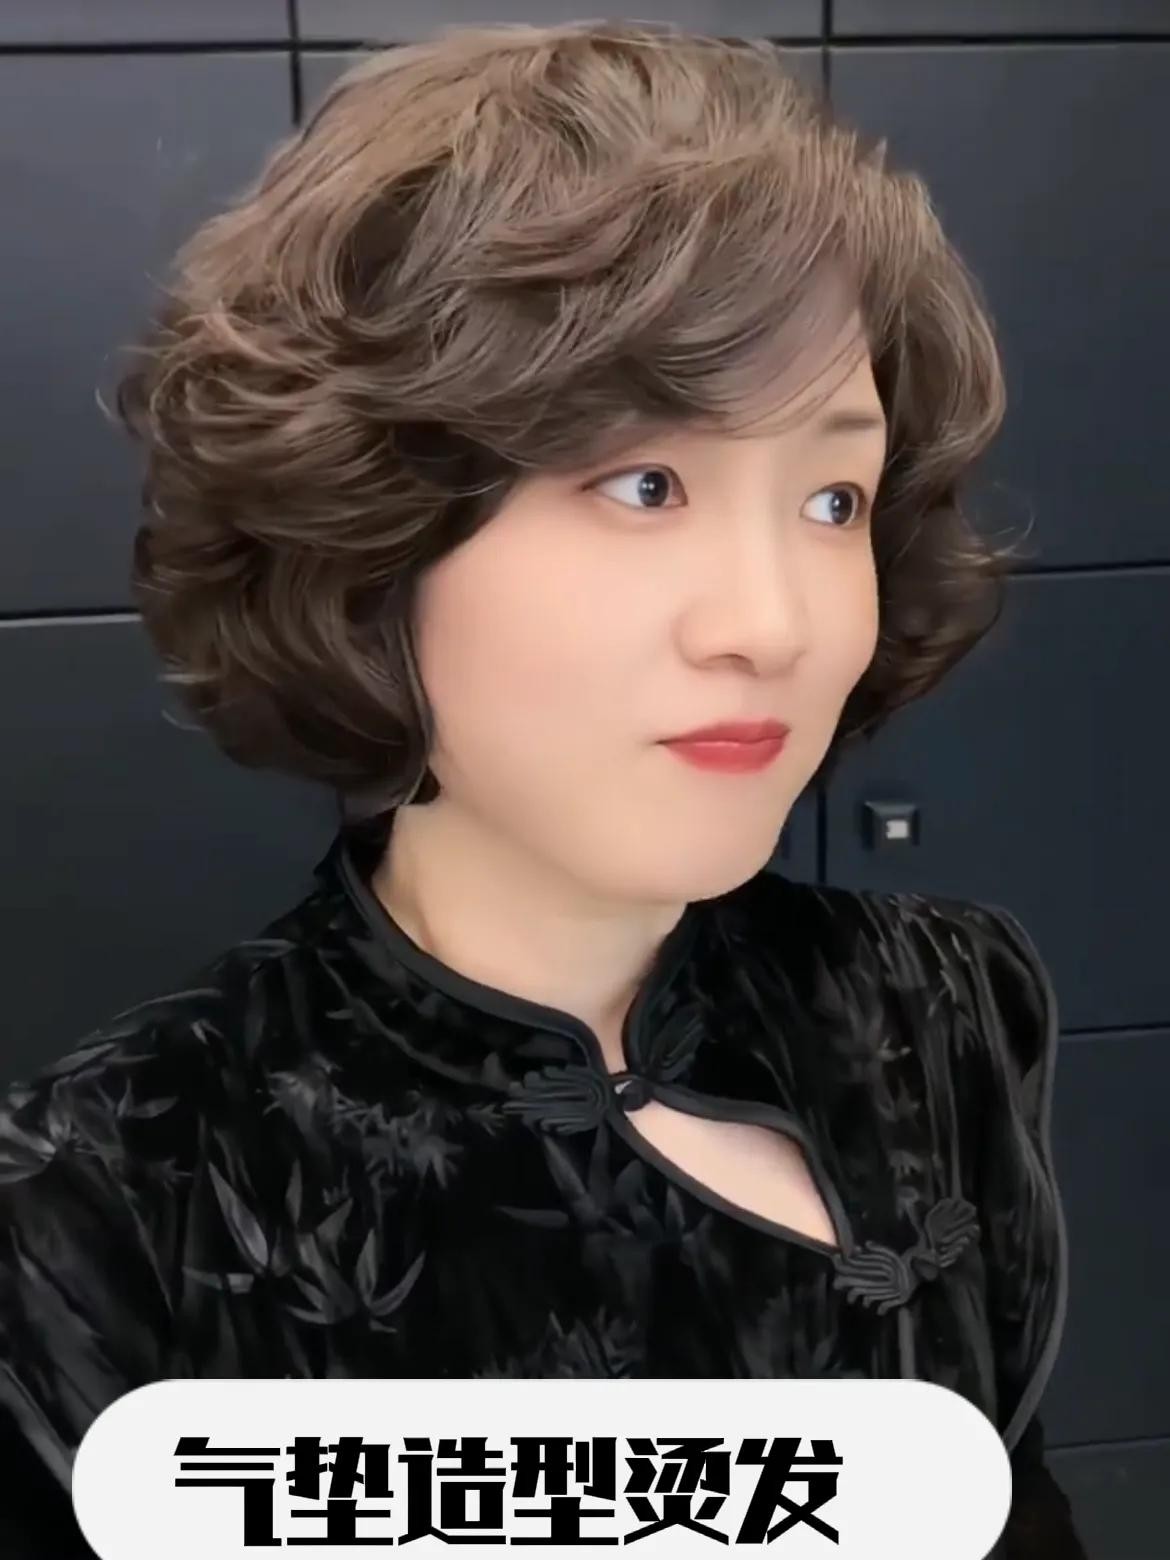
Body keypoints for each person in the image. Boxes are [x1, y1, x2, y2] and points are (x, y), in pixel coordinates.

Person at [0, 19, 1084, 1557]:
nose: (773, 624)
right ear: (368, 539)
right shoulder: (114, 1205)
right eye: (645, 484)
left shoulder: (943, 1005)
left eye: (830, 498)